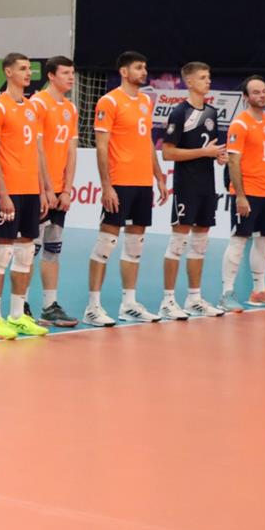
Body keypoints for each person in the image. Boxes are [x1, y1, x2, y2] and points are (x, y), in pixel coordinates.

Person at [84, 51, 170, 326]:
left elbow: (147, 141)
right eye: (138, 67)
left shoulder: (145, 101)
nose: (144, 72)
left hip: (142, 182)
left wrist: (158, 176)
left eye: (145, 67)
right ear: (124, 71)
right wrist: (106, 185)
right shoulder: (109, 101)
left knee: (135, 245)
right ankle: (92, 307)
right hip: (119, 182)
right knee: (106, 244)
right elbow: (101, 146)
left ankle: (129, 303)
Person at [0, 53, 52, 340]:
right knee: (2, 254)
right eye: (22, 68)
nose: (28, 73)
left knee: (25, 253)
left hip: (31, 191)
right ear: (8, 72)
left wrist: (43, 189)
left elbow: (37, 150)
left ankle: (17, 315)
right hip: (8, 191)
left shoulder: (32, 108)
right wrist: (3, 193)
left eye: (29, 69)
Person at [159, 62, 227, 319]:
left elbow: (211, 147)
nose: (208, 81)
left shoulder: (211, 112)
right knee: (178, 242)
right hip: (186, 185)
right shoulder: (180, 113)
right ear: (189, 82)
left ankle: (194, 298)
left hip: (207, 185)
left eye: (209, 76)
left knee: (200, 243)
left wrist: (217, 156)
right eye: (202, 77)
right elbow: (167, 153)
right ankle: (167, 301)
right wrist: (204, 152)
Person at [221, 76, 265, 309]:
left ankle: (259, 291)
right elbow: (233, 161)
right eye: (256, 92)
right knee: (239, 241)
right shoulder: (240, 124)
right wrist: (240, 195)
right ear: (246, 97)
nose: (262, 95)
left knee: (264, 241)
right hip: (247, 192)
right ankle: (227, 293)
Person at [28, 56, 80, 326]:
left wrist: (66, 190)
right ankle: (21, 306)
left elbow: (71, 151)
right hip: (39, 190)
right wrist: (44, 188)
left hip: (60, 191)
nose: (71, 77)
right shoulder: (37, 104)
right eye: (65, 73)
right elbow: (36, 150)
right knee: (29, 249)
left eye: (72, 73)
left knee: (53, 247)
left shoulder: (70, 108)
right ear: (51, 75)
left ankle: (49, 306)